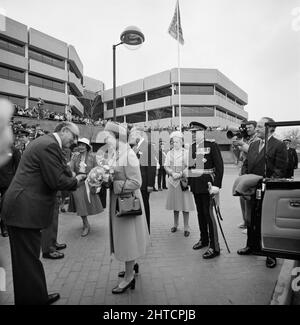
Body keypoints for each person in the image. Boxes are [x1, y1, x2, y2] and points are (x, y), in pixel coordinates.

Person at [1, 121, 86, 305]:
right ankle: (35, 299)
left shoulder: (47, 143)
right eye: (74, 137)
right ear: (64, 131)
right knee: (28, 261)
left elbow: (58, 170)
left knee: (26, 261)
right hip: (23, 211)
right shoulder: (49, 145)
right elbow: (56, 180)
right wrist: (77, 180)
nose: (75, 142)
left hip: (22, 209)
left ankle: (34, 296)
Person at [236, 117, 288, 269]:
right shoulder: (253, 145)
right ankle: (250, 246)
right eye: (257, 126)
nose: (256, 128)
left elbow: (280, 170)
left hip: (269, 190)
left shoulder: (278, 145)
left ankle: (270, 254)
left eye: (259, 126)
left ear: (270, 128)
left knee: (267, 222)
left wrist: (267, 184)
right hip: (252, 189)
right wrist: (246, 180)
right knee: (251, 219)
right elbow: (246, 165)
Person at [104, 121, 149, 294]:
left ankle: (129, 277)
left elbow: (137, 182)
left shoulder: (128, 154)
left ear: (117, 137)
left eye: (107, 136)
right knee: (125, 238)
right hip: (120, 202)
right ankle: (131, 266)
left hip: (127, 203)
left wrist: (115, 185)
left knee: (127, 238)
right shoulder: (116, 153)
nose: (105, 139)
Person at [188, 121, 224, 259]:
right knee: (200, 214)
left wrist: (217, 185)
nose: (192, 134)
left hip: (208, 184)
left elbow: (219, 166)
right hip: (196, 184)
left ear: (202, 132)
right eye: (191, 132)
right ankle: (204, 239)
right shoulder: (191, 147)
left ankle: (215, 246)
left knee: (208, 214)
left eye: (195, 131)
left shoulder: (211, 145)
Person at [69, 138, 103, 237]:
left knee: (85, 204)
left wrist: (91, 177)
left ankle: (85, 223)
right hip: (78, 183)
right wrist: (72, 162)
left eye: (83, 145)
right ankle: (86, 224)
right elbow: (71, 170)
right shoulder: (75, 157)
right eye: (79, 145)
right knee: (80, 203)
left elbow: (98, 170)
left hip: (89, 183)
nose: (81, 147)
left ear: (87, 147)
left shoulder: (93, 157)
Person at [164, 131, 195, 237]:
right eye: (174, 142)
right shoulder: (169, 153)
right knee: (175, 205)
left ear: (182, 142)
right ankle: (175, 224)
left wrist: (181, 173)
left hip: (183, 182)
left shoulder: (186, 153)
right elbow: (166, 166)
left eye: (177, 142)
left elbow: (189, 166)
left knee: (185, 205)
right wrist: (172, 173)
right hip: (173, 182)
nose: (175, 144)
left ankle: (186, 227)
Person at [232, 120, 259, 231]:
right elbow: (239, 156)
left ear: (255, 128)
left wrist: (243, 145)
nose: (248, 129)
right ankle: (245, 221)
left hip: (251, 172)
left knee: (249, 200)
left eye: (250, 127)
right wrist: (235, 146)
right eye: (246, 128)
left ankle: (250, 224)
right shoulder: (245, 139)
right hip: (243, 170)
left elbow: (255, 154)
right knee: (242, 198)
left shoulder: (257, 140)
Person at [128, 127, 156, 233]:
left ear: (138, 135)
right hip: (137, 183)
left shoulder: (147, 146)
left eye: (132, 136)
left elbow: (151, 167)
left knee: (145, 206)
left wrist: (150, 184)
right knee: (139, 206)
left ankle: (146, 230)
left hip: (144, 184)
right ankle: (141, 229)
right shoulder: (135, 147)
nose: (131, 138)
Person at [0, 144, 21, 237]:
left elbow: (18, 168)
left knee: (5, 205)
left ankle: (4, 227)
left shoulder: (14, 150)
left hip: (7, 182)